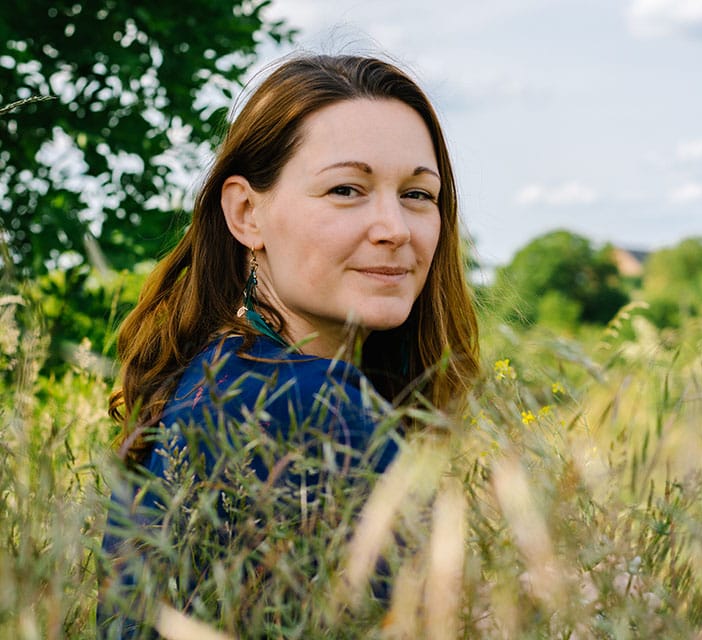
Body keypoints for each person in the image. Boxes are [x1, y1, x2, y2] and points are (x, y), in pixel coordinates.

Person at [97, 53, 480, 638]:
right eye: (346, 189)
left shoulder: (211, 379)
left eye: (418, 195)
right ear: (246, 213)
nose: (395, 228)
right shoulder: (314, 403)